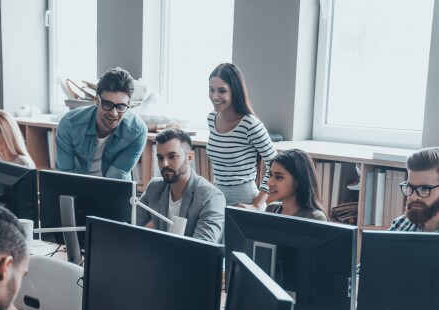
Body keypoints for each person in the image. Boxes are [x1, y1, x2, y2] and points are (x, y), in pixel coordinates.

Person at [55, 67, 147, 180]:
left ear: (128, 104)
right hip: (77, 188)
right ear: (96, 100)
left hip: (114, 190)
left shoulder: (137, 131)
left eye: (121, 106)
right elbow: (65, 176)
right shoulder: (69, 124)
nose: (114, 113)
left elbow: (116, 177)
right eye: (108, 104)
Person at [206, 63, 277, 207]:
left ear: (235, 91)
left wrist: (256, 205)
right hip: (217, 199)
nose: (215, 96)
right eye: (211, 90)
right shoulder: (211, 118)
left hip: (245, 201)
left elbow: (275, 165)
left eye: (222, 91)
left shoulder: (250, 124)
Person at [137, 129, 225, 243]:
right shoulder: (155, 187)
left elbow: (203, 248)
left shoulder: (211, 197)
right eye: (160, 158)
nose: (164, 164)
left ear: (189, 157)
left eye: (172, 156)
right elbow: (129, 223)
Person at [261, 149, 328, 221]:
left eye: (279, 177)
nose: (269, 182)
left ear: (298, 180)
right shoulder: (271, 209)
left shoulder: (315, 218)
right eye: (270, 175)